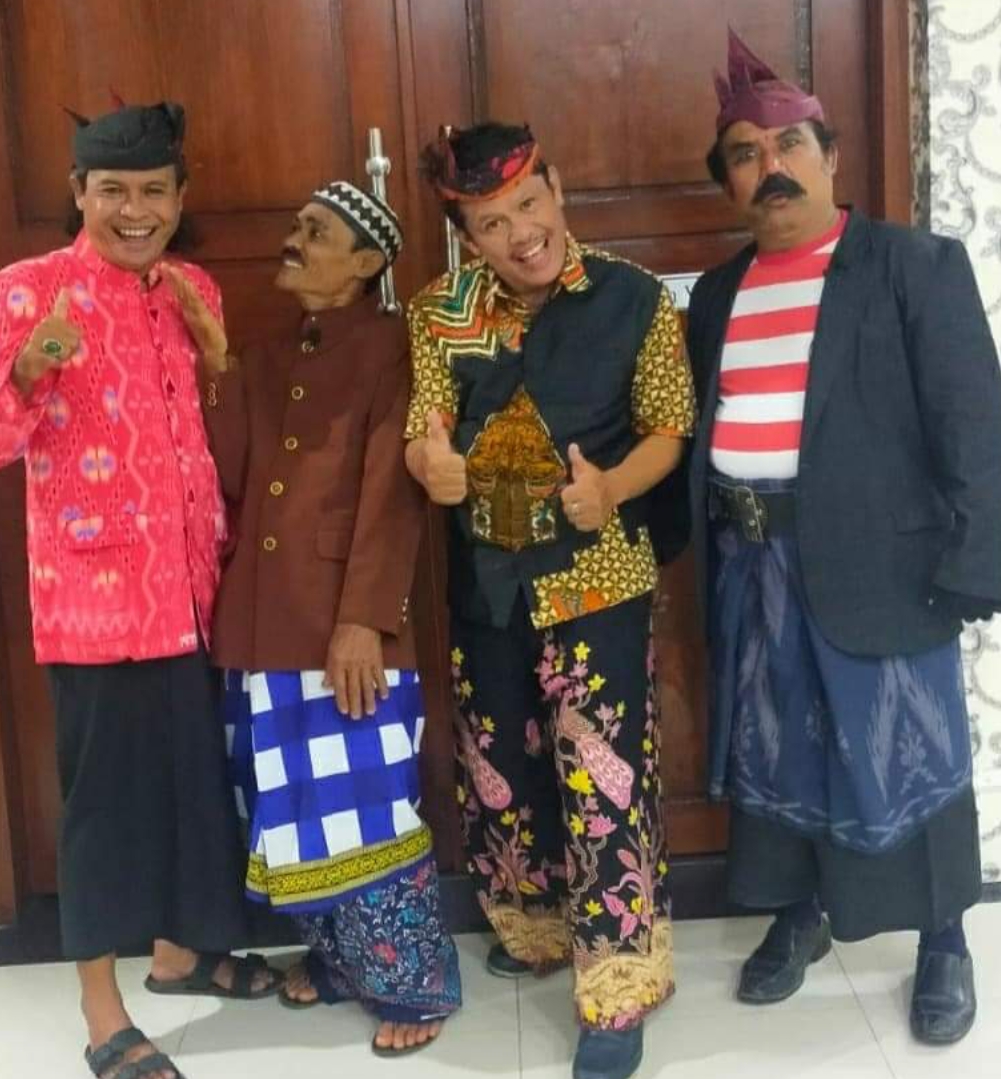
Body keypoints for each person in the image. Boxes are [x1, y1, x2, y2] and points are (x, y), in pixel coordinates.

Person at [0, 99, 282, 1079]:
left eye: (153, 192)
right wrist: (26, 367)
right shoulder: (27, 290)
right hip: (95, 604)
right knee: (105, 812)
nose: (134, 211)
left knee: (194, 791)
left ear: (179, 197)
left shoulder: (191, 289)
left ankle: (179, 953)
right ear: (78, 193)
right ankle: (102, 1013)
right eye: (112, 191)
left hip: (197, 593)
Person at [686, 28, 1001, 1045]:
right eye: (744, 154)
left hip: (885, 567)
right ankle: (798, 910)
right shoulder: (718, 294)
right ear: (729, 182)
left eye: (787, 145)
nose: (769, 168)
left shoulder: (912, 266)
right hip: (751, 566)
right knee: (777, 750)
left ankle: (943, 938)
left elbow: (973, 425)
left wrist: (971, 565)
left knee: (909, 752)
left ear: (829, 156)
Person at [405, 123, 696, 1079]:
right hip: (488, 579)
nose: (519, 234)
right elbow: (423, 428)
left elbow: (668, 430)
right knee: (498, 760)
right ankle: (533, 926)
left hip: (597, 576)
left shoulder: (633, 297)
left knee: (602, 775)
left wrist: (610, 488)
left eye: (528, 206)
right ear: (466, 237)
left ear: (557, 189)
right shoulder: (439, 309)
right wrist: (431, 465)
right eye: (491, 224)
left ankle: (618, 981)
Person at [200, 180, 461, 1056]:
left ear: (366, 262)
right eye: (296, 224)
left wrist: (364, 621)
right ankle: (343, 960)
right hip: (258, 625)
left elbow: (392, 495)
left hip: (343, 628)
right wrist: (218, 366)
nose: (294, 239)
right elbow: (232, 475)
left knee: (364, 807)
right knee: (287, 808)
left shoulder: (395, 347)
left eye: (316, 232)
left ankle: (414, 983)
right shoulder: (270, 353)